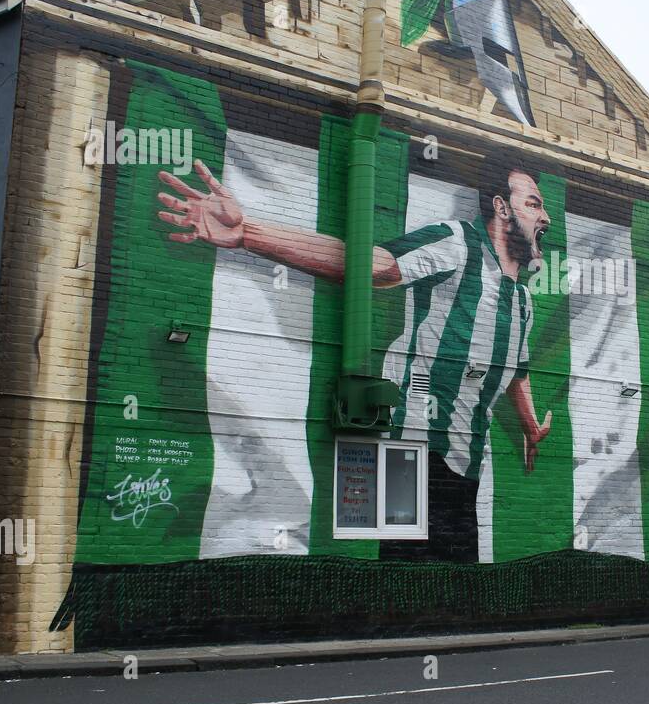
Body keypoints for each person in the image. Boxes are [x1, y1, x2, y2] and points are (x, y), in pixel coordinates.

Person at [156, 159, 554, 562]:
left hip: (466, 460)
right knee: (406, 567)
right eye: (535, 204)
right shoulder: (457, 242)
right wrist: (249, 233)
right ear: (502, 208)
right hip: (411, 448)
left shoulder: (521, 302)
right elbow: (372, 264)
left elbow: (515, 370)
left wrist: (529, 424)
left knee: (454, 572)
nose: (546, 217)